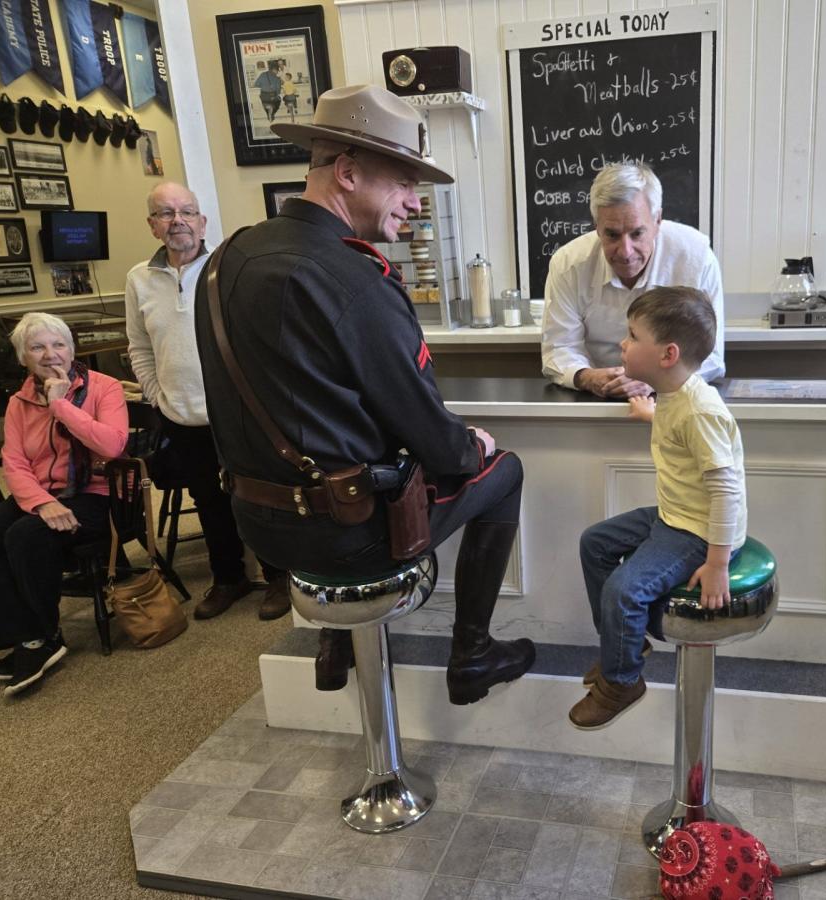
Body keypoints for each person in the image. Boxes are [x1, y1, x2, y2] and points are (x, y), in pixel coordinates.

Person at [193, 84, 536, 703]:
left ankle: (337, 641)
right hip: (351, 535)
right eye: (404, 182)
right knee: (502, 472)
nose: (415, 203)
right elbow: (433, 440)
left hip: (259, 529)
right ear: (347, 173)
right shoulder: (354, 279)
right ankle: (473, 656)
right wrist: (471, 446)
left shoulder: (224, 261)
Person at [569, 286, 746, 729]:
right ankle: (624, 646)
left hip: (699, 531)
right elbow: (675, 425)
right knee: (595, 543)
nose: (622, 345)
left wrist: (718, 562)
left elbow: (727, 490)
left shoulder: (700, 411)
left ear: (667, 354)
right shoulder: (674, 394)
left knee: (624, 590)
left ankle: (622, 680)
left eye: (631, 336)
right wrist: (650, 413)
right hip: (673, 516)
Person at [125, 182, 289, 620]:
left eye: (186, 211)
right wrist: (156, 396)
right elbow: (138, 346)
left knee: (256, 498)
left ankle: (278, 577)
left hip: (235, 411)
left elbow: (258, 340)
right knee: (209, 500)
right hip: (179, 413)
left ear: (202, 221)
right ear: (152, 225)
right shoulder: (138, 280)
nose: (177, 220)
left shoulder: (228, 268)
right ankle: (228, 579)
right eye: (165, 213)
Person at [0, 313, 129, 696]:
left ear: (72, 350)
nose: (50, 354)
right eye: (37, 347)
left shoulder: (104, 388)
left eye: (58, 345)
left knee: (24, 537)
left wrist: (62, 407)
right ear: (23, 357)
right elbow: (15, 462)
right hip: (43, 493)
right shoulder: (19, 401)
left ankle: (44, 635)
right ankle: (24, 637)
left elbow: (112, 445)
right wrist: (41, 503)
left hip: (96, 494)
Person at [541, 162, 725, 398]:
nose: (626, 251)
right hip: (594, 396)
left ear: (657, 221)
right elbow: (559, 348)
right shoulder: (568, 265)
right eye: (612, 234)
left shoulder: (696, 259)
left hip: (670, 397)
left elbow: (711, 356)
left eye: (637, 233)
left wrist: (654, 383)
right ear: (596, 227)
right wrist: (587, 377)